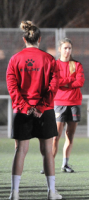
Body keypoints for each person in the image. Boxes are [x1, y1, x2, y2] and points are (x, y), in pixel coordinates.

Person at [6, 21, 62, 200]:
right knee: (47, 151)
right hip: (44, 111)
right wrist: (40, 107)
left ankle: (14, 193)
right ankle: (51, 192)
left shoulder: (15, 59)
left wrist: (25, 107)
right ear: (40, 39)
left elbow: (12, 87)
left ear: (24, 39)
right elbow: (54, 85)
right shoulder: (49, 59)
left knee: (20, 150)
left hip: (22, 111)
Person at [50, 38, 85, 173]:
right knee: (55, 136)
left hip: (74, 103)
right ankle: (50, 164)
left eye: (69, 48)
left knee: (70, 136)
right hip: (59, 103)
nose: (67, 50)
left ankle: (65, 164)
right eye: (65, 48)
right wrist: (71, 79)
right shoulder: (55, 65)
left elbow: (80, 82)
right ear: (60, 49)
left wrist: (64, 82)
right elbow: (55, 82)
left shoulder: (76, 65)